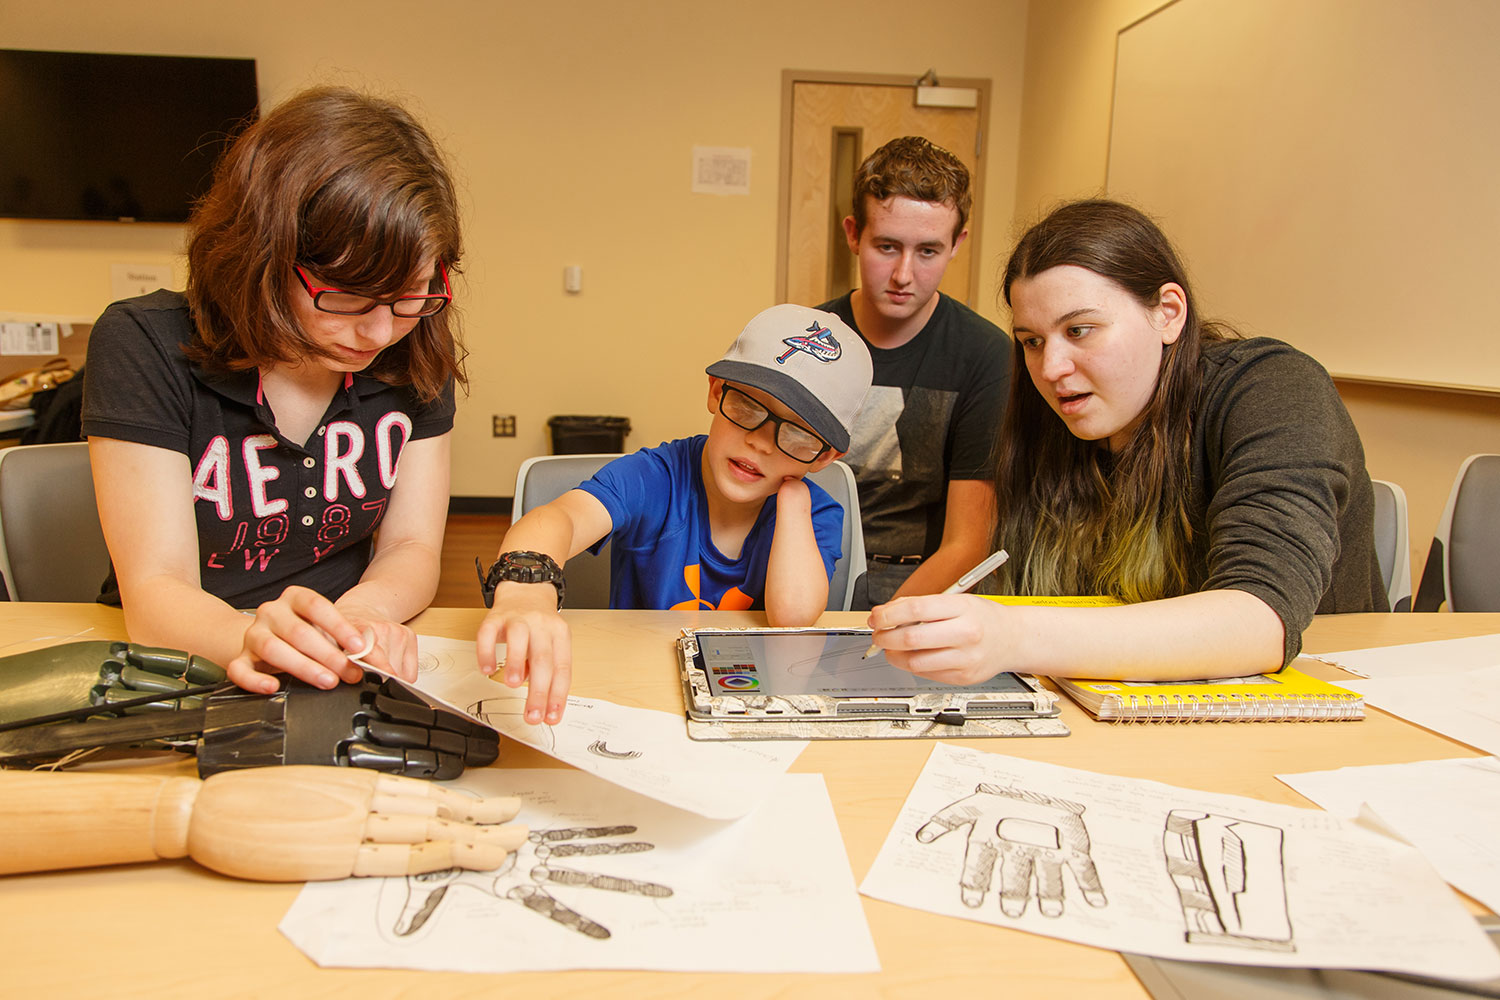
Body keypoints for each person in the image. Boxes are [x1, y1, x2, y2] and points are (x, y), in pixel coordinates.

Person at [868, 199, 1386, 683]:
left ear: (1168, 312)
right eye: (1032, 341)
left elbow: (1262, 617)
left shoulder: (1274, 389)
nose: (1050, 369)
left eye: (1081, 330)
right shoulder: (1048, 420)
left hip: (1317, 708)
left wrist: (1014, 635)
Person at [83, 87, 464, 695]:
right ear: (261, 256)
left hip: (338, 660)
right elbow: (156, 590)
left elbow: (413, 546)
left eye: (411, 295)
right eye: (346, 295)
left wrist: (362, 618)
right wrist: (260, 639)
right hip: (183, 661)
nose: (381, 330)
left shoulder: (413, 352)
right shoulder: (142, 343)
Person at [476, 304, 874, 725]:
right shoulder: (656, 476)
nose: (761, 442)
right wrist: (527, 582)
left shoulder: (816, 513)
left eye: (798, 434)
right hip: (635, 696)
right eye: (747, 406)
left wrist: (794, 498)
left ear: (826, 455)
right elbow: (562, 518)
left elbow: (792, 617)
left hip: (747, 707)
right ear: (715, 391)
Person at [818, 136, 1010, 608]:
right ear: (853, 234)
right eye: (887, 246)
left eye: (927, 251)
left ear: (956, 244)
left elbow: (968, 543)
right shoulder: (806, 340)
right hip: (805, 569)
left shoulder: (986, 356)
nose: (904, 274)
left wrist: (887, 626)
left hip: (921, 587)